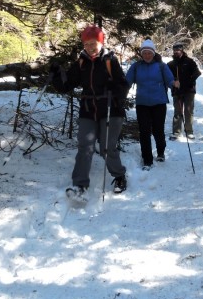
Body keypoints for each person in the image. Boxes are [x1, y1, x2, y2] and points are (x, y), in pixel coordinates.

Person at [51, 24, 128, 198]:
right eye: (86, 44)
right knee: (85, 146)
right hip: (88, 109)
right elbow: (66, 85)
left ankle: (119, 176)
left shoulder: (110, 61)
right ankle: (79, 184)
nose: (90, 47)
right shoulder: (81, 63)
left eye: (93, 43)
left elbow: (124, 86)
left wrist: (114, 89)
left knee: (107, 147)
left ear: (101, 42)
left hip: (110, 108)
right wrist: (57, 74)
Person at [125, 38, 174, 169]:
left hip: (159, 102)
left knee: (158, 130)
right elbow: (127, 81)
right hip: (142, 103)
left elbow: (170, 80)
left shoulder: (161, 66)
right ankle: (147, 160)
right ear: (141, 54)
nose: (147, 55)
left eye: (149, 53)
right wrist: (120, 88)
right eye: (144, 53)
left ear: (153, 53)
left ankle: (161, 152)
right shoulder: (136, 66)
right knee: (144, 132)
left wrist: (175, 85)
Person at [167, 43, 201, 140]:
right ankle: (176, 132)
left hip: (189, 90)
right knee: (177, 111)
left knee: (188, 111)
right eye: (174, 50)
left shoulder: (189, 62)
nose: (176, 52)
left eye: (178, 50)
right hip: (177, 91)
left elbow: (197, 73)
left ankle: (189, 131)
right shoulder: (170, 64)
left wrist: (189, 81)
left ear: (182, 50)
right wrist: (173, 82)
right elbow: (167, 77)